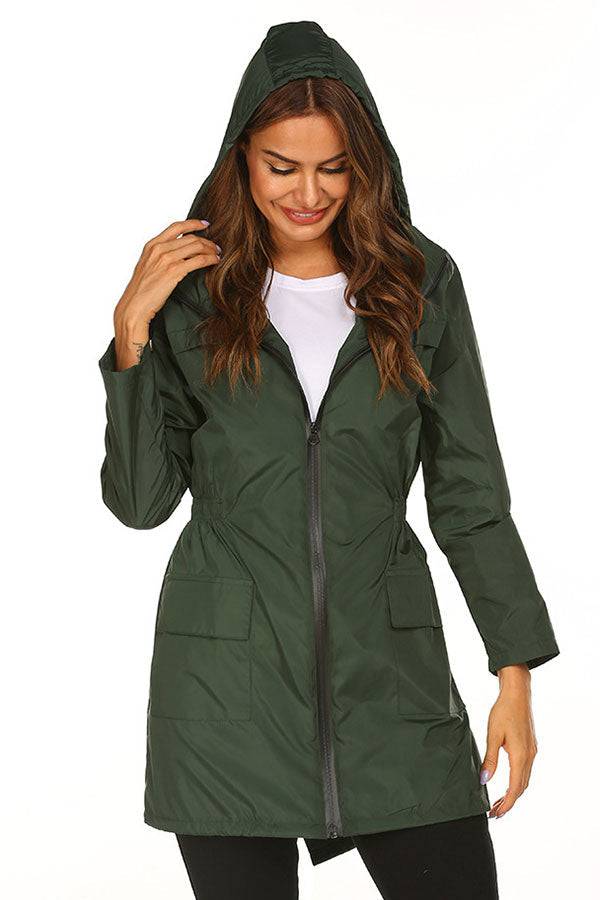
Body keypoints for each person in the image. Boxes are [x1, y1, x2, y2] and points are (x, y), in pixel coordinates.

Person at [97, 20, 560, 900]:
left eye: (334, 167)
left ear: (364, 165)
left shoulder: (421, 284)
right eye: (282, 166)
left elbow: (470, 497)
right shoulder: (194, 297)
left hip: (391, 687)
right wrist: (130, 336)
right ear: (242, 159)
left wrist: (515, 674)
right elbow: (141, 501)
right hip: (225, 699)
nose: (308, 193)